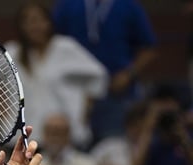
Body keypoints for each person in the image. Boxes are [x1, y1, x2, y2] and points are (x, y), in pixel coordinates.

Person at [5, 1, 108, 148]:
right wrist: (4, 114)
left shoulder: (66, 48)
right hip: (23, 138)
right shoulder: (12, 52)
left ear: (49, 23)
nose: (35, 26)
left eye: (39, 20)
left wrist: (84, 113)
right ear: (21, 26)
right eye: (28, 21)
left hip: (66, 135)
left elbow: (98, 76)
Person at [52, 0, 156, 142]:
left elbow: (148, 48)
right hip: (77, 92)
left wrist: (129, 74)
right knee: (78, 145)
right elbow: (51, 42)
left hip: (117, 91)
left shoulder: (128, 6)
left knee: (114, 145)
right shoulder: (68, 5)